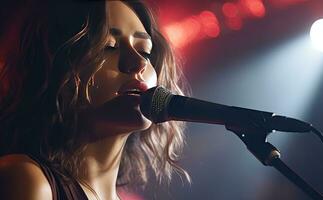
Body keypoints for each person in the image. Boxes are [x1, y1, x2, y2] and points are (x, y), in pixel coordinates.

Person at [0, 1, 190, 199]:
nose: (139, 62)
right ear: (55, 66)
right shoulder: (25, 180)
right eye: (109, 46)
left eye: (144, 51)